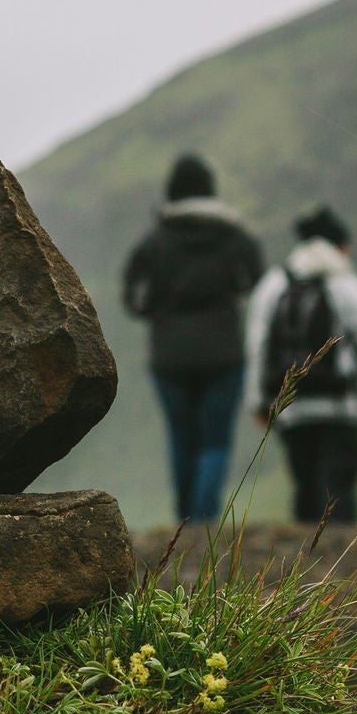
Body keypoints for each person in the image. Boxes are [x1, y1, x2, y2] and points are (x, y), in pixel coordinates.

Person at [246, 205, 357, 524]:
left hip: (293, 409)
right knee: (338, 486)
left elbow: (257, 346)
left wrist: (259, 402)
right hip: (340, 406)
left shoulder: (273, 285)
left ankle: (304, 561)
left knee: (304, 483)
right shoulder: (344, 283)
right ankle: (342, 559)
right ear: (337, 245)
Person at [123, 154, 265, 523]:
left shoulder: (154, 240)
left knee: (180, 437)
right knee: (215, 439)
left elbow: (132, 296)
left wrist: (154, 311)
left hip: (169, 356)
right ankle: (203, 520)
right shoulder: (233, 236)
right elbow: (257, 280)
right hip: (224, 353)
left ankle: (184, 519)